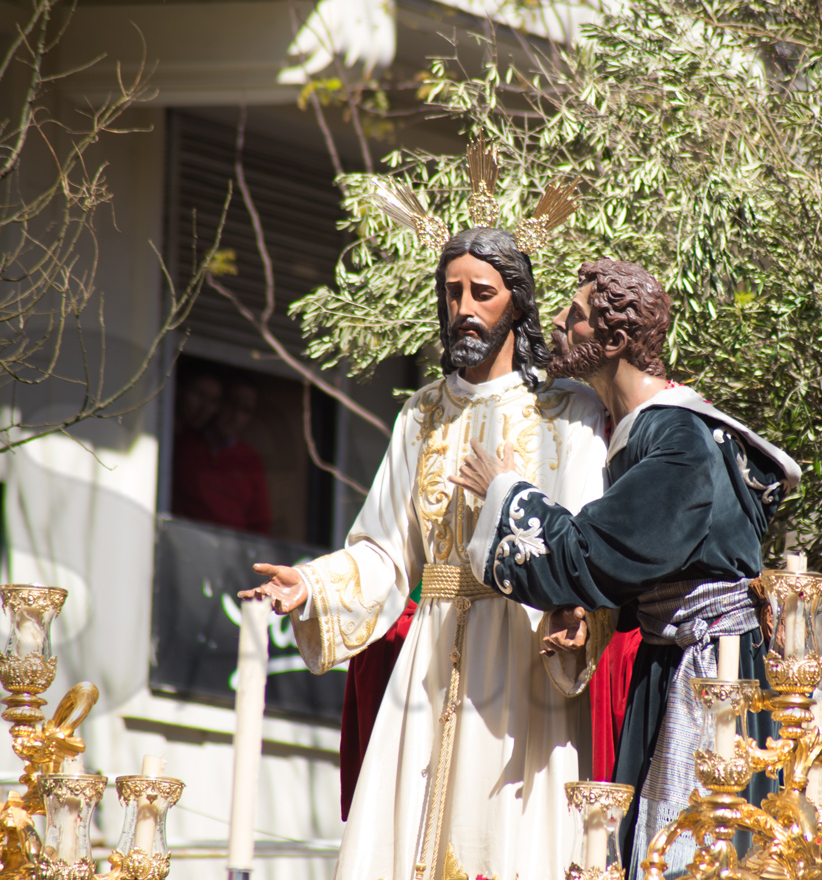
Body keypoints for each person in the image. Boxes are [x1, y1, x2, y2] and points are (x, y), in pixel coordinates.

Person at [240, 227, 609, 880]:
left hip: (525, 653)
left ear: (517, 304)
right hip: (431, 662)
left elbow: (584, 538)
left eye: (482, 293)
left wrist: (577, 612)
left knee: (514, 840)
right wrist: (313, 585)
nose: (464, 307)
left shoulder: (568, 413)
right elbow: (385, 551)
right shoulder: (422, 414)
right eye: (452, 292)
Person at [451, 259, 801, 873]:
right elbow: (643, 563)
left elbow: (594, 553)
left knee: (693, 843)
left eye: (576, 316)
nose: (557, 322)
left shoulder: (680, 437)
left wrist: (507, 493)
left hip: (711, 677)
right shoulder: (647, 431)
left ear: (613, 342)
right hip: (676, 659)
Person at [172, 371, 272, 536]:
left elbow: (260, 525)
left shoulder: (251, 459)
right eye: (231, 404)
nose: (236, 417)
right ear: (217, 403)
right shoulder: (183, 442)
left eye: (246, 411)